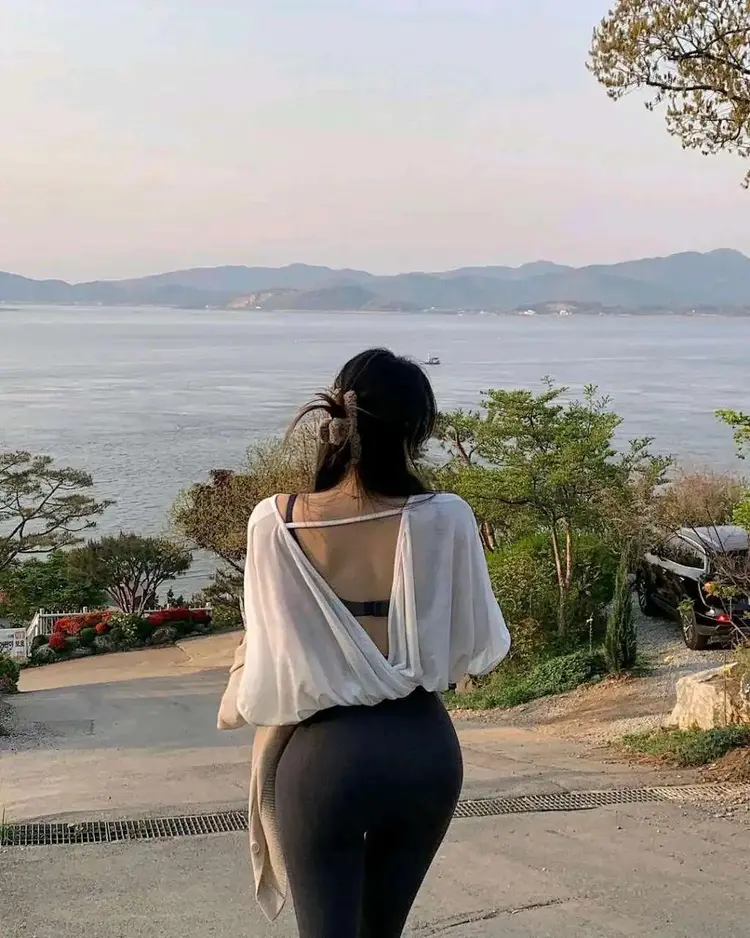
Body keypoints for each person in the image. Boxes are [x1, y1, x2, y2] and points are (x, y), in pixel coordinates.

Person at [218, 348, 510, 938]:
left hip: (327, 758)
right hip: (424, 748)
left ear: (336, 420)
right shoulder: (448, 517)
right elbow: (478, 647)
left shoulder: (274, 522)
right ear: (416, 430)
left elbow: (271, 667)